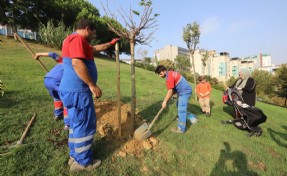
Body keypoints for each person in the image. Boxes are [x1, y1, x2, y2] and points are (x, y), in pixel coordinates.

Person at [59, 19, 119, 172]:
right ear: (87, 29)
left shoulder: (74, 40)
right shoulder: (77, 39)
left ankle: (75, 155)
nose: (94, 35)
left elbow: (95, 48)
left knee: (76, 123)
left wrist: (110, 44)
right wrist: (92, 85)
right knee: (85, 124)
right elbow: (77, 64)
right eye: (93, 32)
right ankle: (84, 162)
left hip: (71, 90)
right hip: (78, 91)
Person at [34, 52, 69, 130]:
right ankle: (67, 124)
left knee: (57, 97)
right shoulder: (73, 65)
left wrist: (38, 54)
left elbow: (52, 54)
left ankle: (58, 115)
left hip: (47, 79)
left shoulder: (62, 60)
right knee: (67, 100)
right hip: (57, 81)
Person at [155, 65, 193, 134]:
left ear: (164, 71)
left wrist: (164, 102)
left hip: (185, 92)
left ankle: (181, 129)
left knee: (181, 109)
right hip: (183, 91)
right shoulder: (170, 73)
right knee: (178, 104)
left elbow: (170, 91)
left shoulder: (169, 77)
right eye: (159, 74)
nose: (160, 76)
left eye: (160, 74)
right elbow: (172, 90)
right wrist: (167, 100)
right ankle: (181, 118)